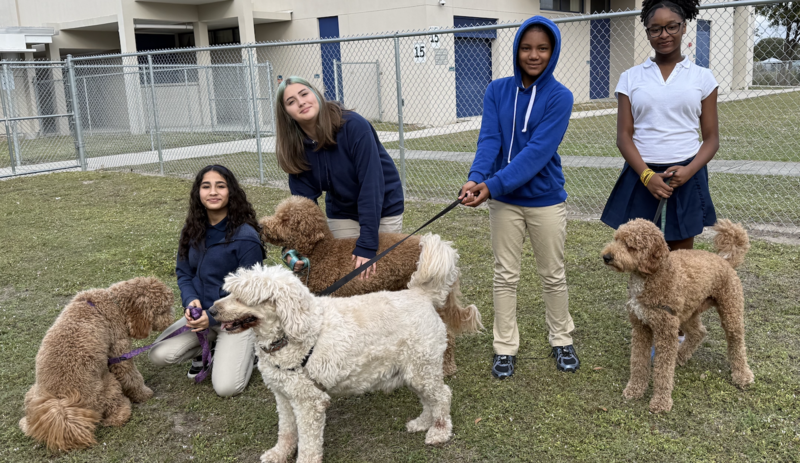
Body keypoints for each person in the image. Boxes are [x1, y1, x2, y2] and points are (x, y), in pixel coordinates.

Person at [459, 16, 579, 379]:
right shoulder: (497, 90)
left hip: (544, 199)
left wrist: (492, 184)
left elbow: (537, 154)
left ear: (553, 51)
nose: (534, 55)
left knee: (553, 274)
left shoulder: (560, 97)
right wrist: (476, 177)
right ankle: (504, 346)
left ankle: (561, 340)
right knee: (505, 275)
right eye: (527, 47)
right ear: (516, 50)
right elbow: (489, 140)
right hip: (504, 202)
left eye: (543, 48)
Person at [601, 0, 719, 252]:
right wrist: (647, 176)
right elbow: (624, 137)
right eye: (655, 29)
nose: (664, 35)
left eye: (671, 27)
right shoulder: (631, 77)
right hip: (642, 175)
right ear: (647, 33)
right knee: (639, 255)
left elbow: (711, 139)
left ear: (684, 27)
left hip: (685, 176)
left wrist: (689, 171)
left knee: (681, 259)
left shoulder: (702, 77)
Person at [149, 165, 264, 397]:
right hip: (201, 316)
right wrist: (191, 301)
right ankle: (210, 348)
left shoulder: (246, 238)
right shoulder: (192, 229)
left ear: (231, 192)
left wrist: (211, 317)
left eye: (220, 186)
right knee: (158, 354)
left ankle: (251, 352)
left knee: (226, 387)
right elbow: (183, 272)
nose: (213, 192)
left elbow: (250, 296)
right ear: (198, 193)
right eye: (206, 186)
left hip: (236, 318)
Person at [275, 76, 404, 279]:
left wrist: (367, 244)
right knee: (344, 275)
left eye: (304, 94)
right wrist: (293, 251)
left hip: (382, 205)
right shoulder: (295, 147)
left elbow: (371, 185)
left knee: (375, 275)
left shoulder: (354, 125)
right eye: (291, 102)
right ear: (286, 114)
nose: (301, 102)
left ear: (316, 94)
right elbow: (303, 210)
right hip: (342, 210)